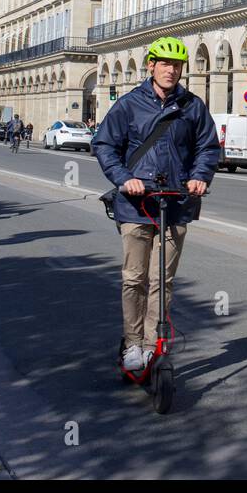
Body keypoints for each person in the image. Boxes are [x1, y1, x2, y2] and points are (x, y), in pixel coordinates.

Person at [93, 36, 220, 374]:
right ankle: (132, 343)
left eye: (176, 65)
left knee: (161, 279)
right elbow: (105, 144)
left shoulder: (192, 106)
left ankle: (153, 344)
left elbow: (208, 148)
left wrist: (200, 176)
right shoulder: (129, 104)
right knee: (134, 277)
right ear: (151, 65)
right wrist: (123, 178)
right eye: (165, 63)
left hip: (175, 202)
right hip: (136, 204)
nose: (171, 70)